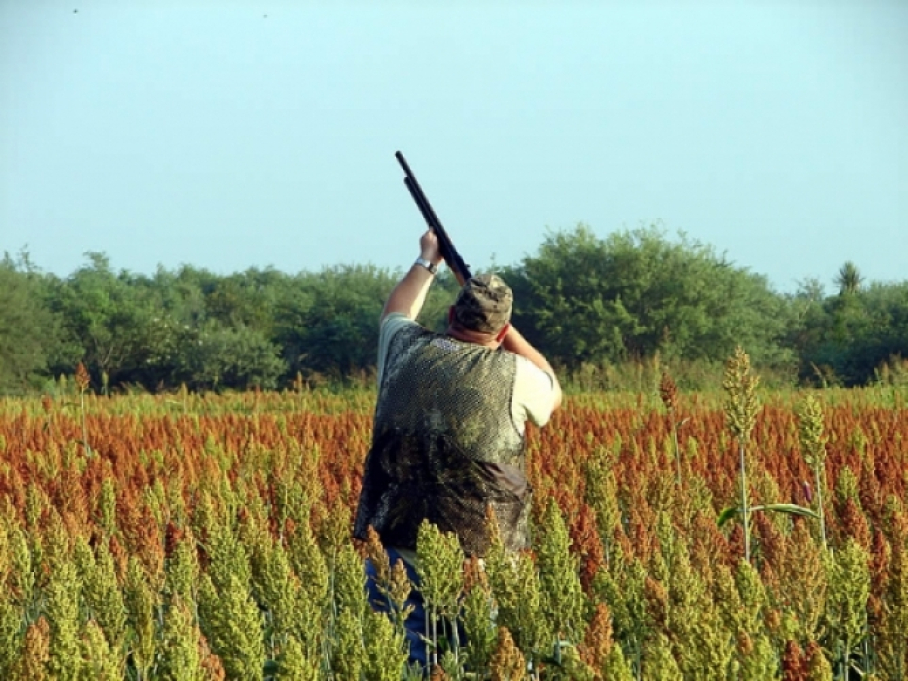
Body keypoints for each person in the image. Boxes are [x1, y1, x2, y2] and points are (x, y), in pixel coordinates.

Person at [353, 229, 562, 668]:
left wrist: (428, 259)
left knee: (403, 667)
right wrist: (508, 334)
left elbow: (395, 313)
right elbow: (552, 390)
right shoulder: (516, 374)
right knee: (486, 664)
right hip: (481, 563)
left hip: (398, 552)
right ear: (502, 331)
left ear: (450, 314)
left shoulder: (405, 350)